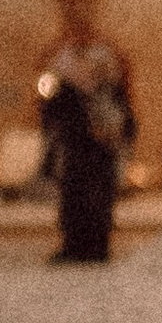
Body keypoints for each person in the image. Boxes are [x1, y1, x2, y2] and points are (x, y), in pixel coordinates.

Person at [40, 37, 133, 265]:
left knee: (95, 205)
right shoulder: (71, 92)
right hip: (81, 158)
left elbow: (128, 124)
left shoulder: (109, 92)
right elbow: (55, 119)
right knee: (78, 203)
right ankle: (78, 247)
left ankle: (95, 247)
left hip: (97, 159)